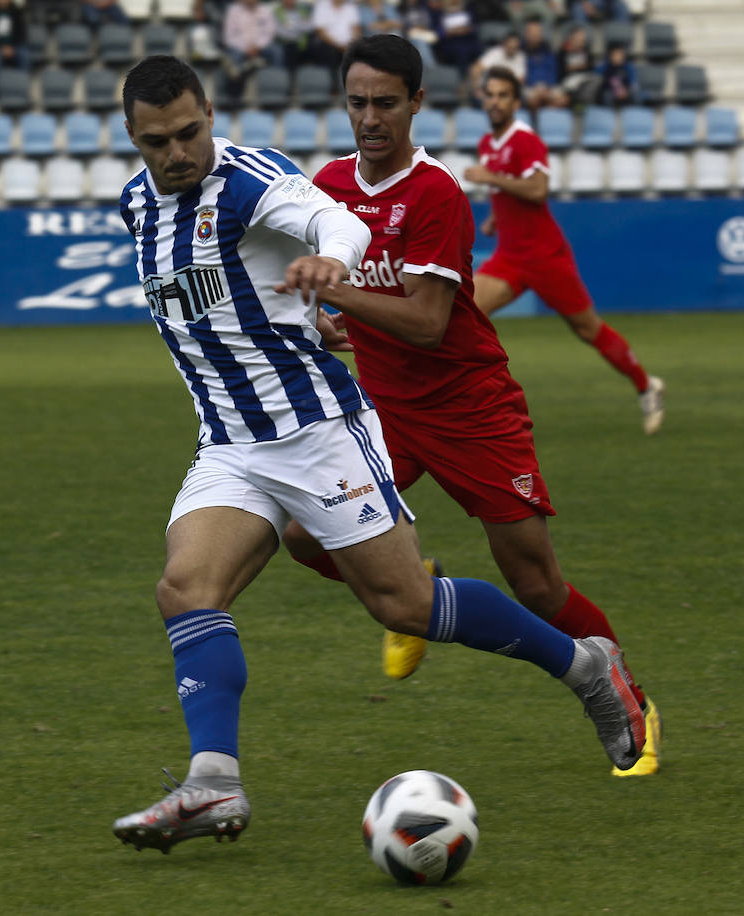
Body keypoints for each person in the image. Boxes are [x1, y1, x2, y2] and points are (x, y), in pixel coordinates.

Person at [109, 53, 647, 853]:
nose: (179, 152)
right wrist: (296, 317)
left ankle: (585, 667)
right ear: (133, 136)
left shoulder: (252, 179)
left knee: (404, 606)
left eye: (191, 132)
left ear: (211, 113)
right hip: (230, 441)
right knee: (186, 590)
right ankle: (212, 783)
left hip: (318, 432)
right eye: (159, 141)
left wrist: (332, 260)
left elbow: (339, 221)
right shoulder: (138, 206)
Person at [287, 35, 659, 779]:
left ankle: (631, 699)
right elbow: (358, 307)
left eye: (386, 102)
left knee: (535, 583)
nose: (370, 117)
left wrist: (337, 294)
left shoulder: (436, 194)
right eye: (358, 101)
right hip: (383, 411)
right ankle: (415, 582)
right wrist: (332, 325)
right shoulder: (326, 184)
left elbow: (426, 322)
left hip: (470, 407)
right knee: (302, 534)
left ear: (416, 103)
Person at [461, 68, 661, 433]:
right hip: (509, 256)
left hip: (545, 256)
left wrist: (490, 179)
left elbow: (538, 190)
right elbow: (512, 192)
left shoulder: (525, 140)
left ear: (516, 102)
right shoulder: (488, 143)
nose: (495, 101)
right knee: (464, 313)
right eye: (489, 94)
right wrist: (494, 217)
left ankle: (646, 385)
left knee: (588, 330)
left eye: (503, 94)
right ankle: (477, 404)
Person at [221, 0, 280, 101]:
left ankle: (276, 90)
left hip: (261, 47)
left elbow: (270, 32)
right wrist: (246, 48)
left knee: (277, 52)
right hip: (240, 48)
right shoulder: (233, 11)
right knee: (233, 58)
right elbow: (229, 37)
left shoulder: (265, 10)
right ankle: (234, 97)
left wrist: (257, 46)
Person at [522, 18, 568, 108]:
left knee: (564, 100)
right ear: (526, 34)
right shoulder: (521, 51)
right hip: (531, 86)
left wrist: (547, 87)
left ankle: (547, 111)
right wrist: (536, 87)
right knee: (532, 101)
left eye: (538, 33)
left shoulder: (548, 50)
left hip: (548, 86)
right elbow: (524, 73)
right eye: (533, 33)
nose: (536, 35)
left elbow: (553, 71)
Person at [470, 31, 527, 100]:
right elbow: (476, 68)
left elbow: (520, 80)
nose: (512, 49)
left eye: (514, 48)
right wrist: (477, 88)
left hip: (507, 93)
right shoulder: (495, 53)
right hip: (487, 91)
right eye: (510, 46)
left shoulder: (520, 56)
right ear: (504, 44)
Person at [309, 0, 362, 73]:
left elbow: (356, 29)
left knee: (358, 50)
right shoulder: (321, 6)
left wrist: (352, 44)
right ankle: (335, 82)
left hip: (348, 43)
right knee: (332, 52)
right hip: (329, 43)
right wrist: (340, 46)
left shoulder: (350, 7)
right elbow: (321, 32)